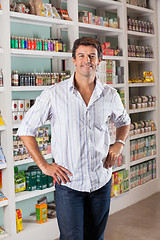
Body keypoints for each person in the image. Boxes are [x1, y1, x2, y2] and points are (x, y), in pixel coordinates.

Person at [18, 37, 130, 240]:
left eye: (92, 56)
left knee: (96, 236)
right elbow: (26, 129)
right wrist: (44, 165)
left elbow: (124, 121)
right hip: (69, 184)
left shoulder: (110, 94)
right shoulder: (54, 94)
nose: (86, 60)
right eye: (81, 55)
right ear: (74, 60)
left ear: (99, 60)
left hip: (101, 180)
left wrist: (119, 144)